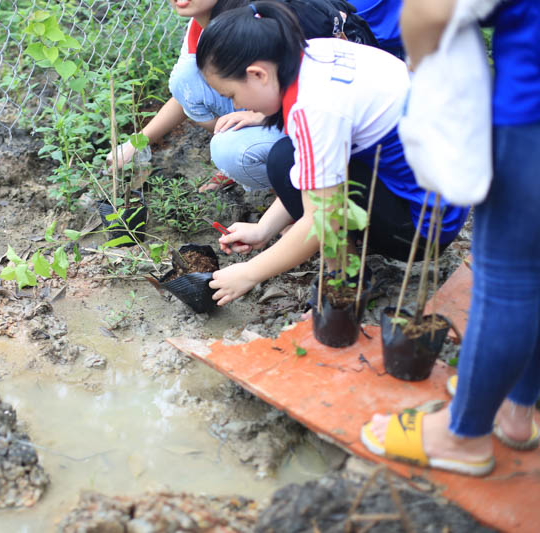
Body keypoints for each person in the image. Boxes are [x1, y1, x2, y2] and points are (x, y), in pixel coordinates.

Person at [361, 0, 540, 476]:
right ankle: (517, 407)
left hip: (532, 112)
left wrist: (422, 67)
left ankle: (463, 435)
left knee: (511, 283)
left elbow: (432, 9)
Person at [194, 1, 467, 306]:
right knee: (287, 157)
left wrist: (249, 273)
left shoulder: (314, 109)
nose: (239, 106)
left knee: (286, 160)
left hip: (424, 227)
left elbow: (321, 219)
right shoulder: (314, 54)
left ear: (258, 74)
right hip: (444, 192)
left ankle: (348, 284)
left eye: (233, 95)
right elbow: (322, 169)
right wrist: (264, 229)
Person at [107, 0, 380, 193]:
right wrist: (135, 143)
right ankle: (281, 173)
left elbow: (324, 90)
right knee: (186, 77)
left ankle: (300, 192)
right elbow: (184, 94)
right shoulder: (201, 25)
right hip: (287, 106)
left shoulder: (259, 20)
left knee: (232, 150)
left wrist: (261, 115)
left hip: (332, 116)